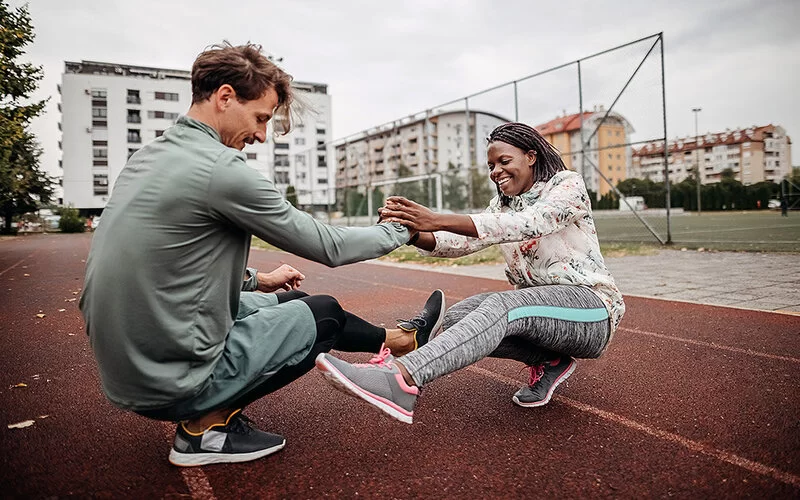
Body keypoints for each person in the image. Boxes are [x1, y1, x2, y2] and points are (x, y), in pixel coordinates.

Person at [79, 42, 445, 467]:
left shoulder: (150, 157)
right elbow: (330, 246)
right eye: (260, 118)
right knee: (322, 315)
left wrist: (255, 279)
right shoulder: (221, 170)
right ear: (225, 97)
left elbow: (169, 257)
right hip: (168, 377)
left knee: (294, 303)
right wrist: (403, 229)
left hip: (130, 358)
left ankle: (400, 341)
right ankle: (206, 430)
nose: (260, 135)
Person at [316, 122, 625, 424]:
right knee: (455, 319)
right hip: (540, 315)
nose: (496, 172)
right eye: (491, 165)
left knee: (502, 307)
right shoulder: (503, 205)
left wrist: (436, 218)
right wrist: (413, 232)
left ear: (531, 157)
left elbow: (533, 222)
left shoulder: (566, 185)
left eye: (504, 161)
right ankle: (549, 360)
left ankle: (401, 379)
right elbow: (462, 241)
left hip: (591, 310)